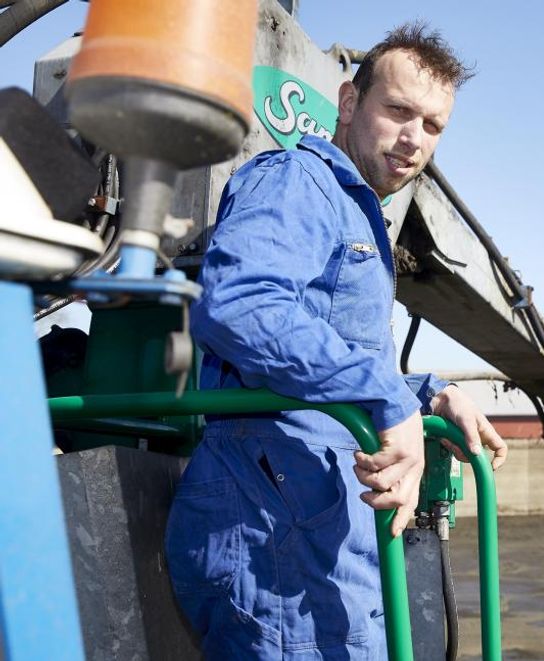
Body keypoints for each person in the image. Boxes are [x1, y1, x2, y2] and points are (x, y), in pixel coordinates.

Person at [164, 23, 507, 660]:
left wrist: (430, 394)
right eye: (398, 111)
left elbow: (326, 359)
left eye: (433, 126)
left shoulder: (358, 210)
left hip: (315, 516)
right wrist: (386, 397)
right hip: (270, 519)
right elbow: (240, 307)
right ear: (349, 104)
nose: (414, 139)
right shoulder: (298, 180)